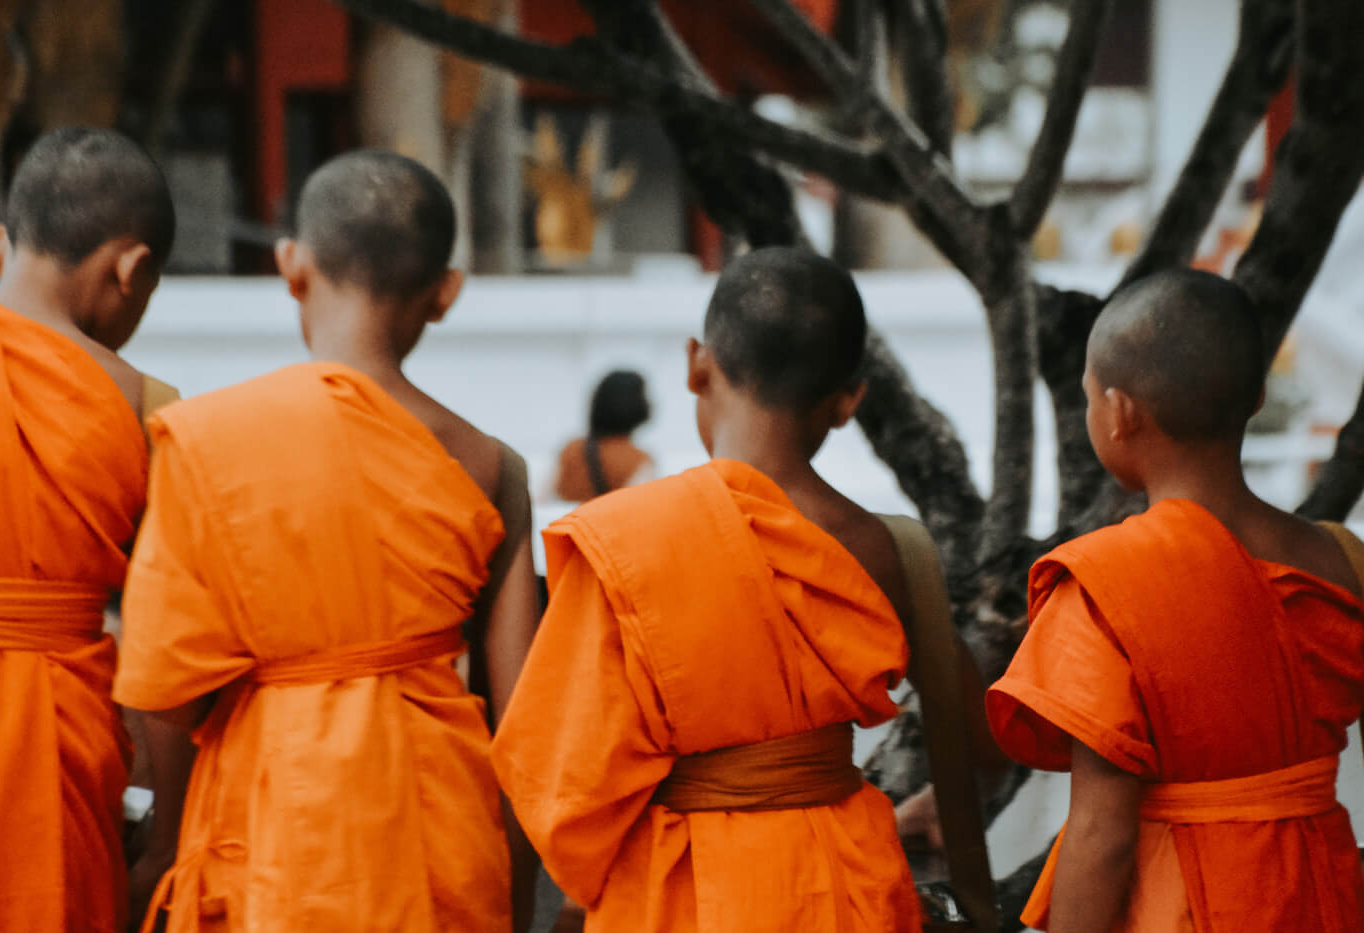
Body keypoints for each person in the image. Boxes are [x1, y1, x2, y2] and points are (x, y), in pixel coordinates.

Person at [492, 246, 1002, 932]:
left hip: (679, 889)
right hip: (844, 882)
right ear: (850, 400)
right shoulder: (888, 551)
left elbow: (560, 782)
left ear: (698, 364)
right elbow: (983, 738)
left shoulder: (632, 538)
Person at [114, 151, 540, 932]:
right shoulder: (493, 464)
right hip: (435, 822)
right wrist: (512, 885)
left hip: (279, 821)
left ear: (291, 265)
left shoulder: (211, 438)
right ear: (445, 293)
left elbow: (169, 691)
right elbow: (524, 718)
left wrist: (165, 845)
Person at [986, 268, 1364, 933]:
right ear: (1255, 398)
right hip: (1320, 895)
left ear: (1120, 413)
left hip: (1181, 905)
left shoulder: (1109, 583)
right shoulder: (1341, 559)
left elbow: (1103, 834)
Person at [0, 127, 175, 932]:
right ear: (132, 269)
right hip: (52, 755)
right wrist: (169, 829)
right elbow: (167, 643)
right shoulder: (149, 408)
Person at [552, 370, 655, 501]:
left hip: (570, 520)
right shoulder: (639, 461)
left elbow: (542, 499)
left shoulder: (571, 450)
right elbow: (639, 507)